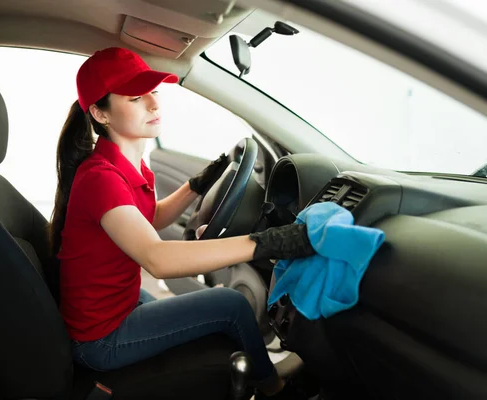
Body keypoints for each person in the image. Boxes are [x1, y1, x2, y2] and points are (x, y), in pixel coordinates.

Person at [51, 47, 316, 399]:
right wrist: (266, 242)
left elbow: (150, 217)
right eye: (135, 97)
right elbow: (157, 259)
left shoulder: (127, 166)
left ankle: (256, 371)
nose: (154, 104)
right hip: (101, 340)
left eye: (154, 92)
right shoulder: (101, 178)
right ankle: (274, 389)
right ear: (100, 113)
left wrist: (196, 185)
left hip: (117, 308)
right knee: (231, 304)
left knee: (214, 310)